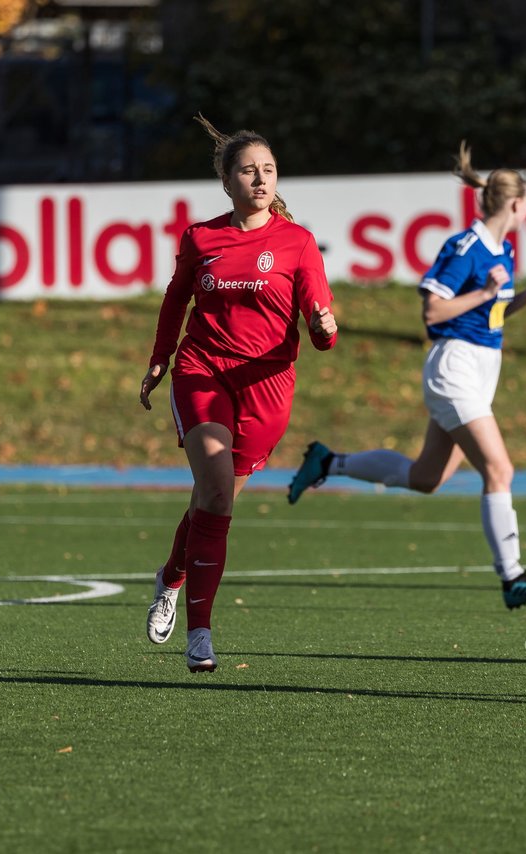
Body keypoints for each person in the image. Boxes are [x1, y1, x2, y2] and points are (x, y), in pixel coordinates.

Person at [287, 141, 526, 611]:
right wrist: (487, 294)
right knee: (499, 469)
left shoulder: (505, 251)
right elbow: (433, 311)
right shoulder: (465, 247)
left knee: (426, 477)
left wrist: (523, 300)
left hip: (478, 370)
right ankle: (512, 577)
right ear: (516, 204)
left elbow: (487, 313)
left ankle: (327, 462)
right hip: (453, 368)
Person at [140, 115, 338, 673]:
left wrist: (324, 328)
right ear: (226, 181)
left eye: (268, 170)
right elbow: (175, 302)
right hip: (203, 371)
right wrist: (160, 359)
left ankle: (171, 576)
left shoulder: (297, 243)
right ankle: (200, 634)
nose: (259, 179)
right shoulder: (201, 238)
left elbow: (322, 325)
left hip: (267, 387)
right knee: (217, 491)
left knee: (214, 498)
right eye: (248, 171)